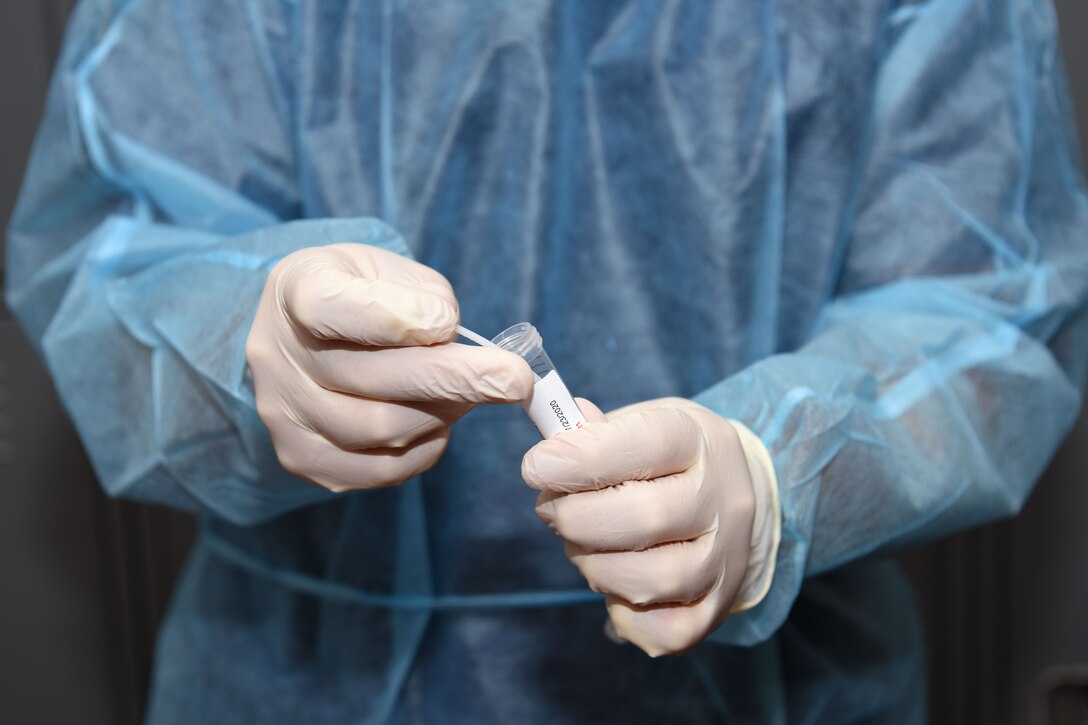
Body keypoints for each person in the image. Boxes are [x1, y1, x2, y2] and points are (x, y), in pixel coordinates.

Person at [7, 0, 1088, 721]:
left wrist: (781, 473)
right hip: (290, 678)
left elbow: (987, 310)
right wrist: (236, 337)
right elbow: (113, 250)